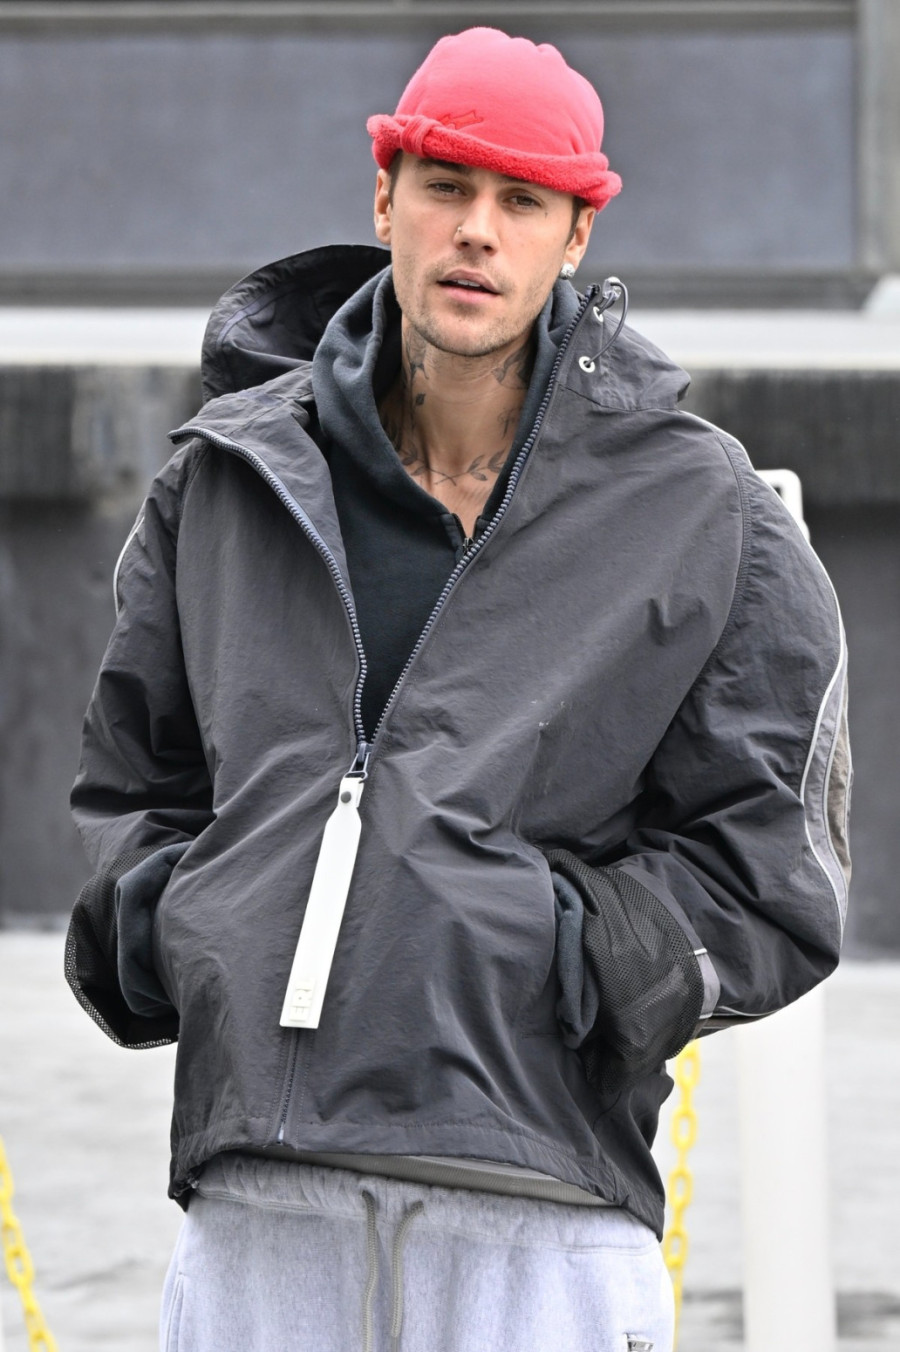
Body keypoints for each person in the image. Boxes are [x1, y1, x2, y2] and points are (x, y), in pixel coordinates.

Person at [65, 26, 851, 1352]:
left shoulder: (704, 511)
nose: (477, 230)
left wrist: (551, 952)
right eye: (445, 186)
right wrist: (192, 926)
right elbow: (133, 783)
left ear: (577, 235)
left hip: (541, 1208)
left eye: (522, 200)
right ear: (385, 199)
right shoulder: (225, 480)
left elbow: (775, 868)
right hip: (259, 1202)